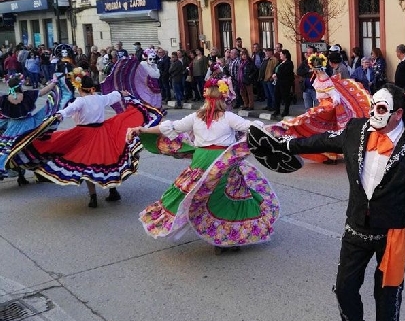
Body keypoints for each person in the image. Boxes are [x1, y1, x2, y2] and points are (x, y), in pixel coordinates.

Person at [248, 83, 405, 321]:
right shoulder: (356, 130)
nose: (374, 113)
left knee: (387, 298)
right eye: (373, 106)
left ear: (398, 114)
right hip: (356, 229)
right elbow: (321, 141)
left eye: (381, 108)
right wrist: (286, 144)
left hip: (393, 234)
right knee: (344, 290)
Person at [128, 76, 279, 254]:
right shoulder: (228, 117)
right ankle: (226, 239)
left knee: (197, 195)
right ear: (223, 98)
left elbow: (170, 127)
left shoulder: (196, 117)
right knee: (228, 197)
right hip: (223, 161)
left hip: (202, 160)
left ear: (206, 98)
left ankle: (217, 238)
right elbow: (253, 127)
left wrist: (143, 129)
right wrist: (279, 131)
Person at [16, 76, 162, 208]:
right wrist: (125, 95)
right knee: (108, 160)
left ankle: (93, 197)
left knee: (86, 165)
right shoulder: (100, 98)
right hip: (103, 133)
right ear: (92, 88)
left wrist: (59, 115)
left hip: (84, 135)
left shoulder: (80, 100)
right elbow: (115, 95)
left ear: (80, 88)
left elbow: (69, 110)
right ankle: (113, 191)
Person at [278, 52, 371, 165]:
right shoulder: (319, 78)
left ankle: (284, 130)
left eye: (315, 69)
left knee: (315, 124)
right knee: (326, 132)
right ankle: (330, 155)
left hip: (328, 108)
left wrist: (334, 102)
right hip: (324, 106)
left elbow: (334, 94)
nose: (314, 72)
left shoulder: (325, 80)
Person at [0, 73, 72, 184]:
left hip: (12, 128)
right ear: (20, 86)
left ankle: (11, 171)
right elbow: (45, 90)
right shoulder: (28, 95)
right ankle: (38, 173)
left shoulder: (4, 99)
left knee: (9, 149)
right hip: (29, 127)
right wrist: (54, 82)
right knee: (33, 149)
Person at [272, 49, 295, 117]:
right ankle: (277, 110)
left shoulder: (289, 63)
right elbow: (275, 69)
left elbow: (286, 72)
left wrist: (277, 75)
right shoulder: (280, 62)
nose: (280, 56)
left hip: (285, 83)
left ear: (285, 55)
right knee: (277, 96)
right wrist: (274, 74)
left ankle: (286, 111)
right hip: (278, 82)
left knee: (285, 97)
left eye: (281, 54)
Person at [297, 45, 318, 110]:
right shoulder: (305, 62)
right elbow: (299, 71)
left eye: (310, 53)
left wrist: (306, 73)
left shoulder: (318, 62)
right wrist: (308, 71)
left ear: (315, 53)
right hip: (306, 89)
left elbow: (315, 73)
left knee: (318, 108)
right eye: (307, 53)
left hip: (316, 89)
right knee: (308, 109)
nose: (308, 54)